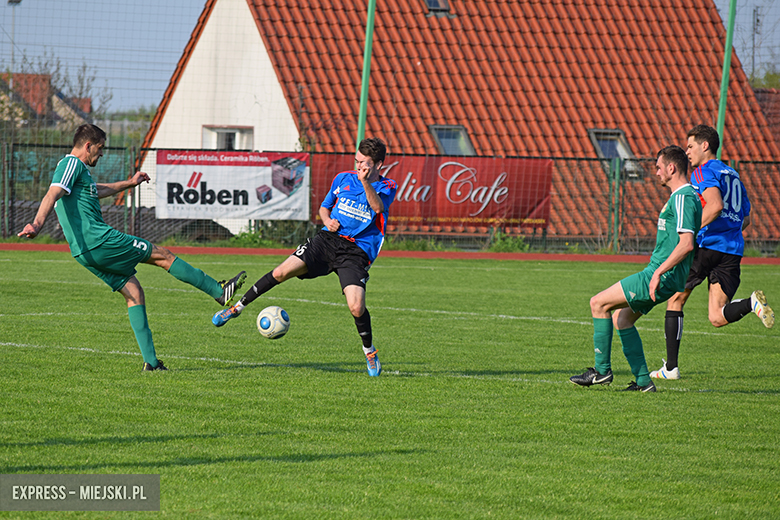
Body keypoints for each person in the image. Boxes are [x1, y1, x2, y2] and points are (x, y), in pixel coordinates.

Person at [18, 124, 246, 371]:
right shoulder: (71, 164)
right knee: (163, 255)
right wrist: (37, 224)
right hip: (100, 240)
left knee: (134, 293)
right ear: (88, 146)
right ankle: (218, 291)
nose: (102, 154)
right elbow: (52, 194)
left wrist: (129, 183)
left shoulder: (78, 172)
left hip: (83, 252)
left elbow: (97, 190)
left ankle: (151, 363)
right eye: (100, 148)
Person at [212, 137, 397, 377]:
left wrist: (364, 182)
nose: (358, 166)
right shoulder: (343, 179)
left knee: (356, 306)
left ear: (378, 165)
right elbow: (324, 207)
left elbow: (379, 208)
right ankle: (235, 309)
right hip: (327, 241)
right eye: (357, 160)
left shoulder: (387, 186)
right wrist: (326, 220)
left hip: (356, 251)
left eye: (365, 163)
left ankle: (369, 352)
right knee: (280, 272)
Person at [570, 145, 702, 392]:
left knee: (598, 303)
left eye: (659, 167)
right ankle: (643, 382)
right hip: (664, 276)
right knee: (623, 319)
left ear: (671, 168)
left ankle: (601, 371)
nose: (656, 173)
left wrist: (658, 273)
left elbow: (686, 244)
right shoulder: (684, 197)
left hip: (658, 275)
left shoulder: (684, 197)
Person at [650, 125, 774, 380]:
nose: (687, 152)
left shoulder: (704, 171)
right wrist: (728, 232)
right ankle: (750, 303)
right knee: (717, 316)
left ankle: (670, 368)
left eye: (691, 146)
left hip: (706, 246)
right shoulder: (734, 175)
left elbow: (715, 205)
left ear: (705, 146)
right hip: (732, 250)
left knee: (675, 299)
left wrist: (691, 231)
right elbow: (746, 219)